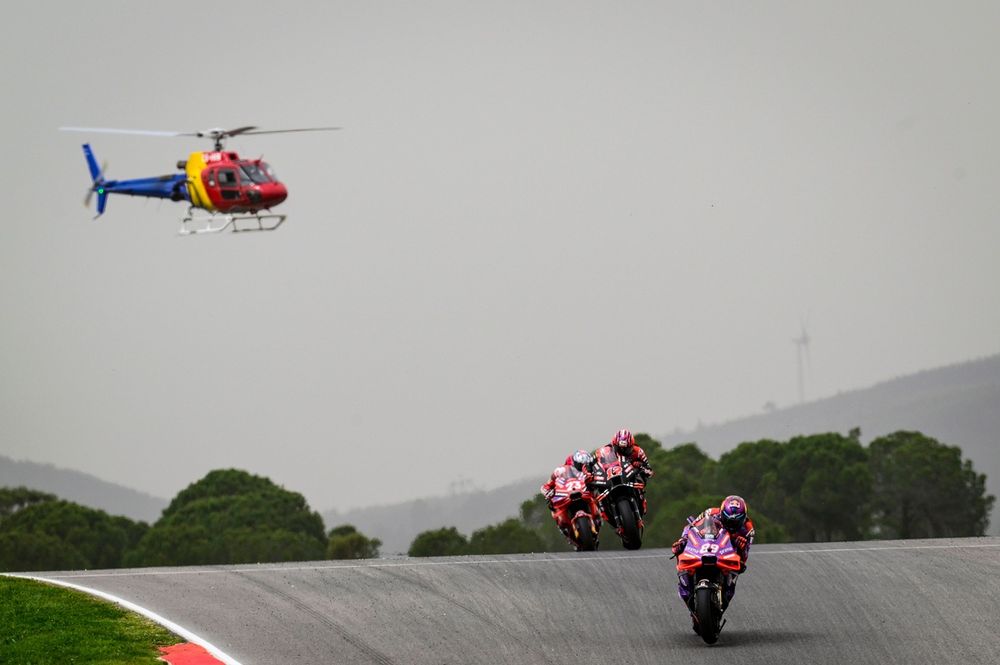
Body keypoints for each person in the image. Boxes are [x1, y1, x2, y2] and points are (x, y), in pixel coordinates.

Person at [672, 495, 755, 631]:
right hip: (708, 545)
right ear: (722, 513)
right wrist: (683, 540)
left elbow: (745, 554)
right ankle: (690, 593)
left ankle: (721, 602)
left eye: (736, 522)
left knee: (736, 573)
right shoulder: (711, 513)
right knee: (683, 557)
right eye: (728, 520)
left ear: (743, 518)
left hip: (728, 551)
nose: (731, 525)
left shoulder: (748, 529)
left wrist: (741, 548)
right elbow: (691, 527)